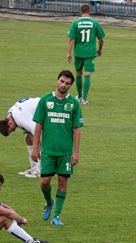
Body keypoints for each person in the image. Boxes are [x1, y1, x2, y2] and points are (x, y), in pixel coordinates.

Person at [32, 70, 83, 226]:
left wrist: (76, 152)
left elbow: (77, 129)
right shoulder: (45, 100)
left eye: (67, 83)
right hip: (47, 152)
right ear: (57, 81)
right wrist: (35, 148)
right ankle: (49, 202)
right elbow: (38, 125)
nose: (63, 85)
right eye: (62, 81)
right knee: (44, 182)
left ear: (71, 85)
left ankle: (56, 216)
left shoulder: (74, 103)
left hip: (65, 153)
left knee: (62, 182)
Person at [67, 3, 105, 105]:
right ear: (89, 11)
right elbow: (101, 40)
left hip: (78, 53)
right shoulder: (95, 23)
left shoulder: (75, 23)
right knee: (87, 74)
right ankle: (84, 98)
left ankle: (79, 97)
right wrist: (100, 50)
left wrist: (69, 53)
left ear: (81, 11)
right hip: (90, 53)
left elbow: (71, 39)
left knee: (78, 74)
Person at [0, 97, 41, 178]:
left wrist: (36, 149)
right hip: (40, 107)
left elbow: (37, 133)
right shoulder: (11, 114)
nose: (13, 130)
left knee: (39, 140)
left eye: (11, 130)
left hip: (49, 109)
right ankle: (34, 168)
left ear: (10, 123)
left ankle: (40, 170)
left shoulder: (20, 118)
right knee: (28, 138)